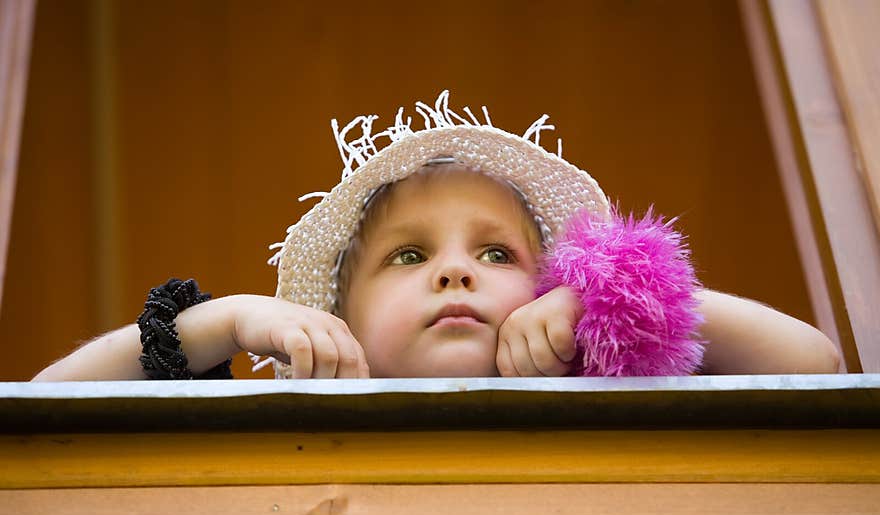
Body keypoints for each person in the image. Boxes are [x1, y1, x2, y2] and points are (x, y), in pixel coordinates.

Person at [32, 92, 840, 382]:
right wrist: (229, 321)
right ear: (339, 321)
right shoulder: (307, 398)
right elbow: (44, 404)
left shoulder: (599, 383)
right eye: (409, 255)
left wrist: (620, 307)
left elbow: (816, 364)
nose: (456, 270)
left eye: (497, 254)